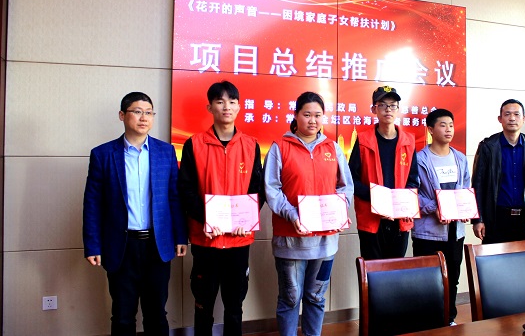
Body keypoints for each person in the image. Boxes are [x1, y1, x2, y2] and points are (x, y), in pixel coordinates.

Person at [82, 92, 188, 336]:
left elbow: (174, 197)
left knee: (156, 314)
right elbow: (93, 203)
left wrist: (180, 236)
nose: (144, 118)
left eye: (149, 112)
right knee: (122, 315)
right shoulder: (103, 154)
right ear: (122, 115)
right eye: (137, 112)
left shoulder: (165, 152)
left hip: (157, 245)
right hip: (121, 245)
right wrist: (92, 245)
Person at [178, 81, 264, 336]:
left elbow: (257, 190)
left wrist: (246, 221)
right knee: (203, 304)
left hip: (239, 239)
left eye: (232, 101)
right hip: (206, 239)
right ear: (210, 107)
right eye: (220, 101)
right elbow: (185, 189)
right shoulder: (194, 144)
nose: (227, 106)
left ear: (239, 107)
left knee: (234, 305)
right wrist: (206, 219)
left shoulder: (251, 145)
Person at [264, 91, 354, 336]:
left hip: (325, 242)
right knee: (290, 298)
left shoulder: (333, 148)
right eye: (307, 115)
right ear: (296, 116)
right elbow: (272, 189)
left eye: (318, 115)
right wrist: (293, 215)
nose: (313, 120)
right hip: (291, 240)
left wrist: (340, 210)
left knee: (316, 297)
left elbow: (345, 187)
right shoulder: (280, 148)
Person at [412, 108, 469, 326]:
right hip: (428, 232)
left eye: (451, 125)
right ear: (430, 129)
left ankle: (449, 318)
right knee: (427, 278)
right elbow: (412, 194)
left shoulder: (460, 159)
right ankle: (427, 322)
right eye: (443, 125)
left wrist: (466, 209)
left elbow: (465, 190)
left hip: (455, 232)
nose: (448, 130)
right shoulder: (419, 159)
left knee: (452, 277)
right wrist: (434, 208)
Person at [348, 85, 419, 260]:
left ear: (398, 109)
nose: (388, 109)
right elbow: (351, 180)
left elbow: (413, 180)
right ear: (374, 109)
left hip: (399, 219)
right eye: (382, 105)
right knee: (372, 269)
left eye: (392, 105)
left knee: (395, 269)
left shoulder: (408, 141)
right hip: (371, 219)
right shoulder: (363, 141)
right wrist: (376, 197)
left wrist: (404, 203)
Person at [471, 99, 525, 244]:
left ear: (524, 119)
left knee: (521, 257)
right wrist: (478, 219)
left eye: (516, 114)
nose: (512, 118)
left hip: (524, 218)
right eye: (507, 114)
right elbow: (478, 186)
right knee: (494, 257)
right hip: (496, 217)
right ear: (500, 119)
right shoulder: (488, 147)